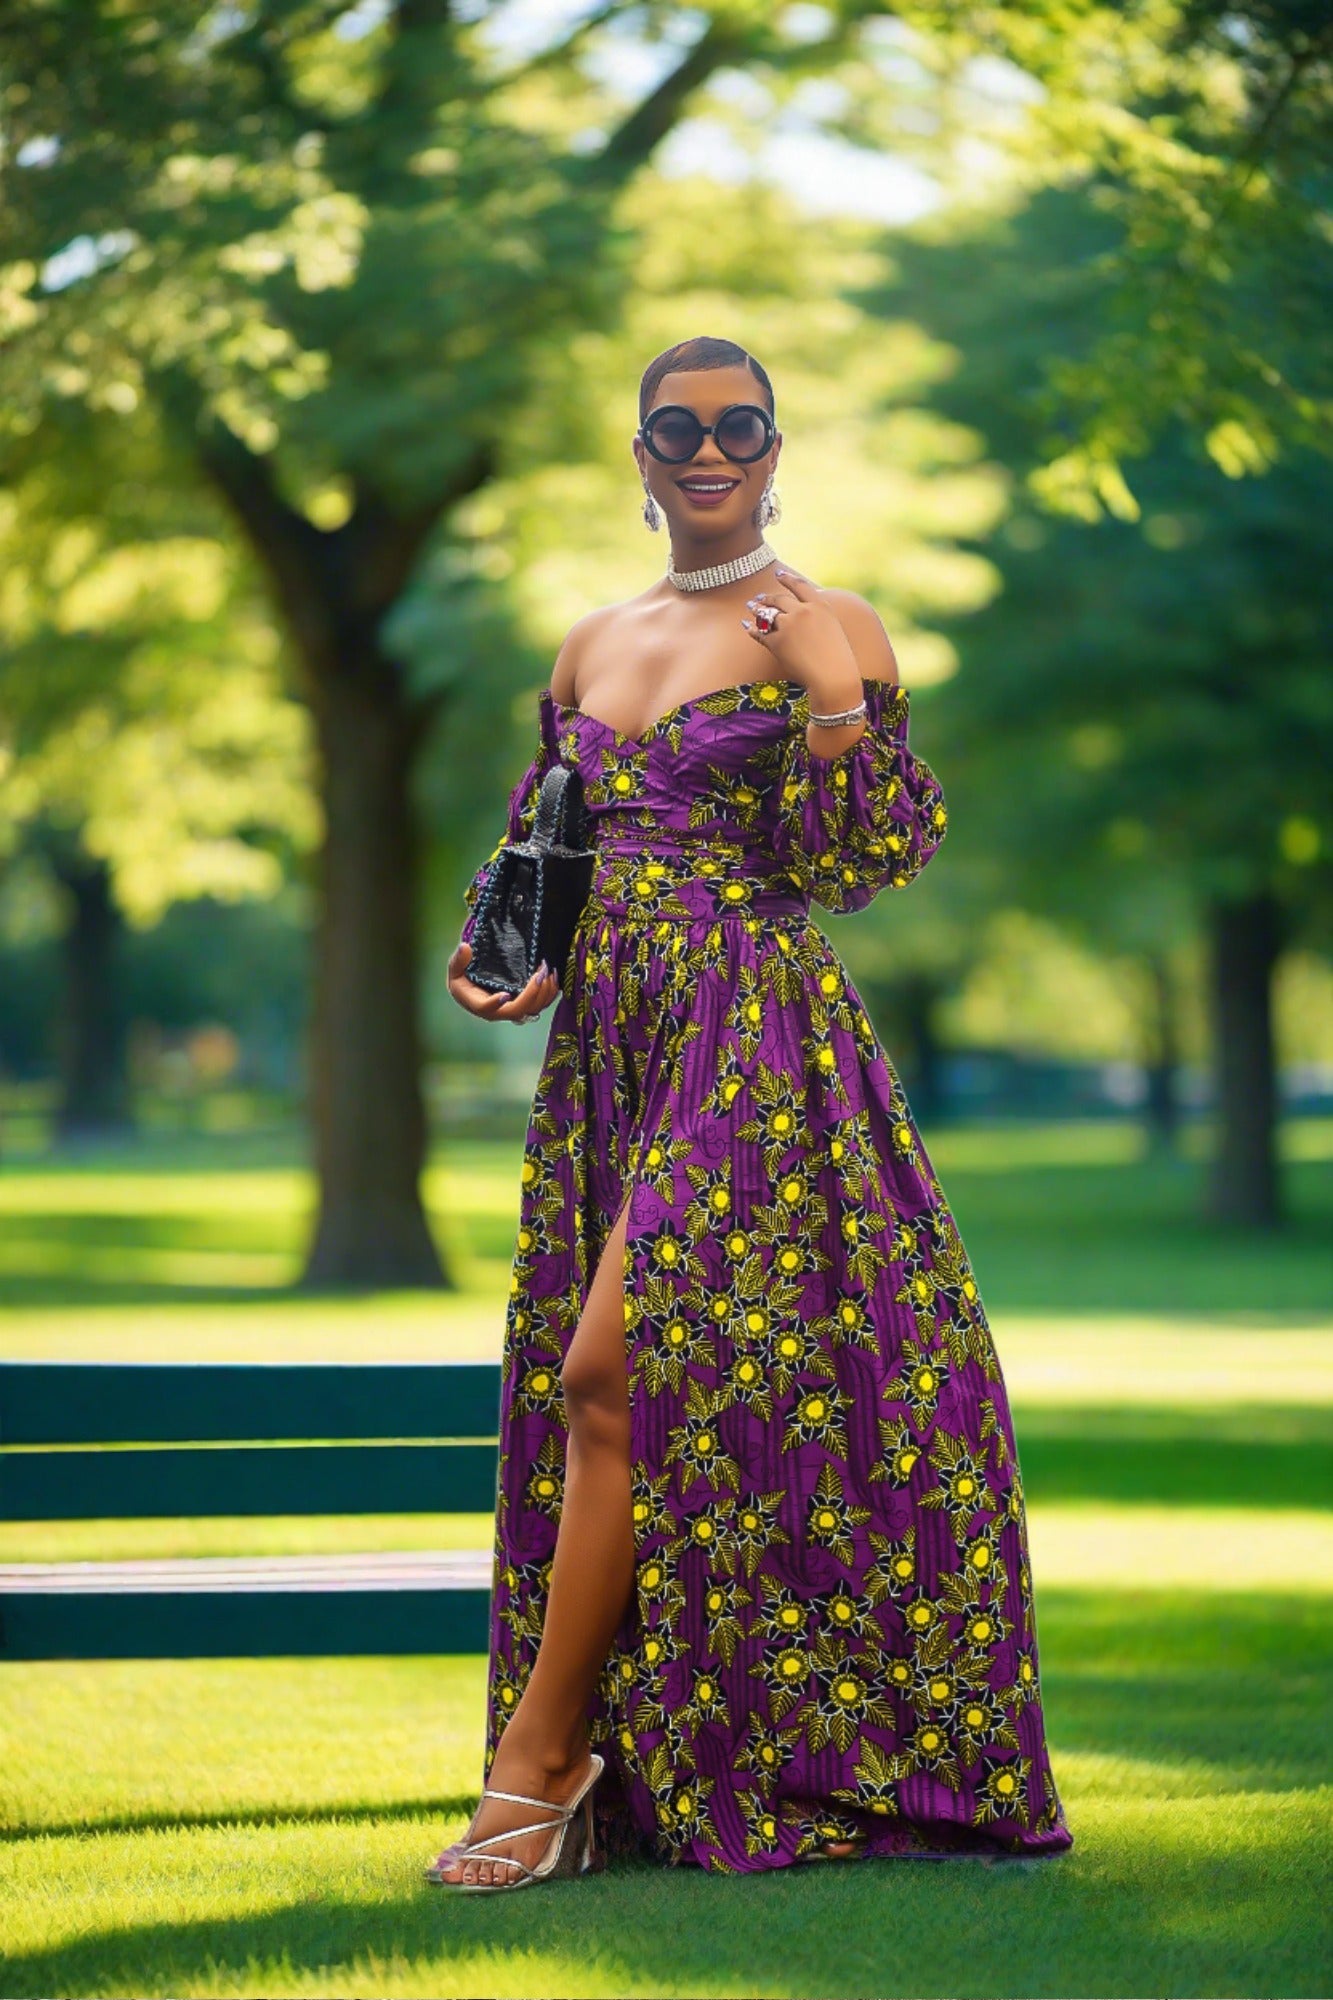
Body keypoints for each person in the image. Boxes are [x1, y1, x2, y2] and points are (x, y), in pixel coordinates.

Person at [428, 335, 1074, 1890]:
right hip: (614, 1048)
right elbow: (553, 839)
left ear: (776, 449)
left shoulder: (827, 621)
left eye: (738, 426)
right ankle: (606, 1758)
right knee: (629, 1399)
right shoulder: (590, 642)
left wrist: (839, 699)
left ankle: (539, 1765)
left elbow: (860, 864)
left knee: (605, 1369)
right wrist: (507, 947)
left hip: (756, 1034)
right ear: (638, 456)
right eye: (677, 427)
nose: (707, 450)